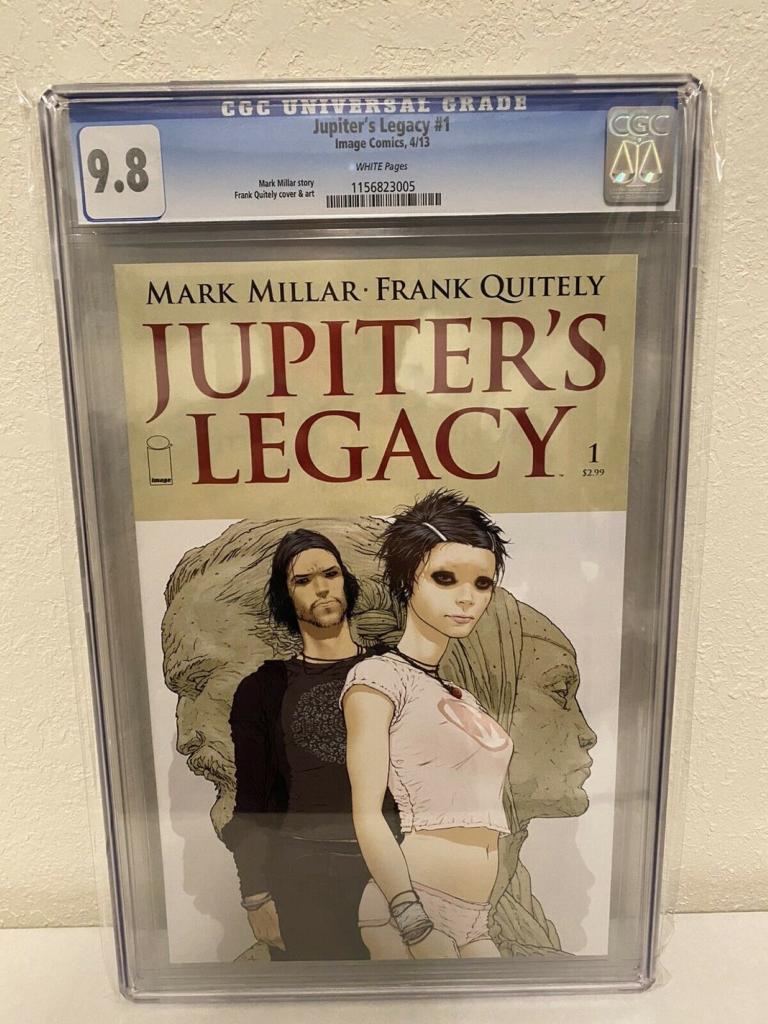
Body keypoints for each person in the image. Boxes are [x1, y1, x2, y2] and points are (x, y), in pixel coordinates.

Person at [341, 490, 513, 959]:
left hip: (475, 915)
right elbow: (366, 814)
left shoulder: (462, 696)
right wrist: (411, 918)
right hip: (412, 906)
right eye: (444, 578)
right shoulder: (377, 679)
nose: (467, 598)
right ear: (406, 583)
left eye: (482, 583)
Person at [220, 528, 398, 961]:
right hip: (304, 874)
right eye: (303, 580)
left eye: (330, 574)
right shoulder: (262, 690)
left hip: (395, 868)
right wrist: (255, 896)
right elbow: (253, 801)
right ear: (287, 597)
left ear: (345, 582)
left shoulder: (393, 669)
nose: (321, 588)